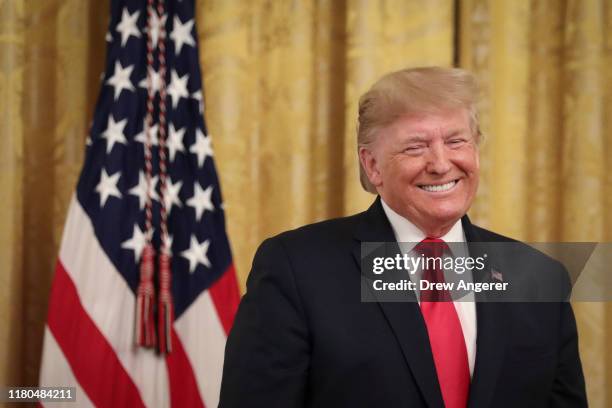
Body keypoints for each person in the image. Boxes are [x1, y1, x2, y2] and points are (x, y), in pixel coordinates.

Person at [219, 67, 587, 407]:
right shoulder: (295, 269)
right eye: (416, 147)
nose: (441, 164)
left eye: (457, 141)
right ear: (372, 165)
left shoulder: (540, 278)